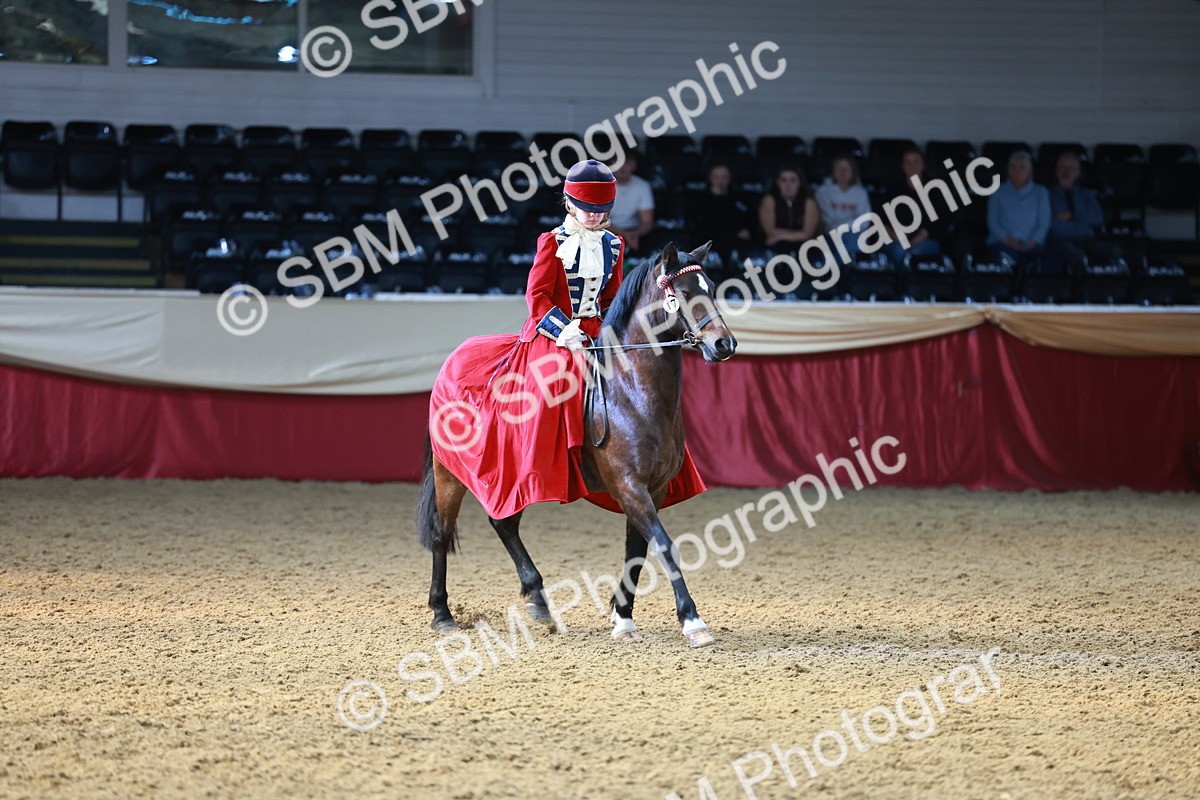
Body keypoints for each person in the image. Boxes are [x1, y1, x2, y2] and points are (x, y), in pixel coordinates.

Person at [428, 159, 704, 520]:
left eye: (601, 209)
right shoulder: (552, 242)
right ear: (570, 204)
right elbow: (537, 298)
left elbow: (612, 298)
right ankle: (537, 461)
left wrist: (615, 332)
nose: (594, 216)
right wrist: (565, 331)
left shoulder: (613, 244)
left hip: (595, 331)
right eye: (587, 208)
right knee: (559, 378)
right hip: (552, 334)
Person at [1047, 151, 1122, 272]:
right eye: (1062, 167)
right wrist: (1082, 222)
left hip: (1086, 239)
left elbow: (1098, 218)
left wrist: (1072, 214)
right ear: (1056, 171)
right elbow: (1051, 223)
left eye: (1071, 168)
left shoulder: (1086, 194)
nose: (1066, 171)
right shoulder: (1047, 194)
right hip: (1061, 239)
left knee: (1114, 250)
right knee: (1074, 255)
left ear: (1078, 173)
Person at [881, 146, 951, 269]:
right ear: (903, 166)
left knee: (911, 254)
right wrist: (892, 234)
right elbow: (882, 219)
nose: (912, 166)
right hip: (896, 240)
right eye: (907, 162)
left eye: (916, 161)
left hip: (926, 241)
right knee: (898, 250)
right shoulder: (893, 189)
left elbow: (934, 225)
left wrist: (911, 243)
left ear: (923, 165)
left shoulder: (934, 190)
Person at [986, 150, 1051, 272]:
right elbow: (993, 222)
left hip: (1032, 245)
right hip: (1002, 243)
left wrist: (1032, 242)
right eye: (1013, 167)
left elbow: (1044, 223)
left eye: (1022, 167)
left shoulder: (1041, 192)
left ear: (1030, 171)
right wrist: (1009, 241)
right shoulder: (998, 192)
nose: (1017, 171)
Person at [690, 162, 752, 262]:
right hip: (709, 244)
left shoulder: (738, 200)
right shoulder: (700, 201)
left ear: (730, 178)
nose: (720, 181)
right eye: (716, 177)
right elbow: (703, 227)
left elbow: (747, 223)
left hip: (735, 245)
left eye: (724, 177)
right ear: (710, 178)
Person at [815, 154, 871, 262]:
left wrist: (845, 227)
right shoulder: (823, 191)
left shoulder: (861, 193)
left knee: (853, 239)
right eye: (839, 169)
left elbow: (865, 221)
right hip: (830, 236)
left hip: (855, 235)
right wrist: (850, 224)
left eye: (846, 169)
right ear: (833, 171)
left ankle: (837, 268)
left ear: (852, 171)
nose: (843, 172)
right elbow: (828, 219)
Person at [758, 164, 820, 253]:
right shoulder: (769, 200)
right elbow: (770, 231)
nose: (788, 185)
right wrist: (797, 234)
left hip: (803, 247)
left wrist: (780, 236)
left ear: (800, 183)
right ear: (778, 182)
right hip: (776, 246)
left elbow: (807, 234)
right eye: (783, 180)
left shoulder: (809, 202)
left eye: (793, 180)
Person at [606, 151, 655, 254]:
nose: (622, 167)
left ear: (634, 165)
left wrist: (634, 234)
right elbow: (599, 220)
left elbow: (647, 221)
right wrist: (624, 235)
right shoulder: (602, 186)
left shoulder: (642, 186)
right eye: (618, 162)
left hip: (636, 233)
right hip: (606, 232)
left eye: (627, 162)